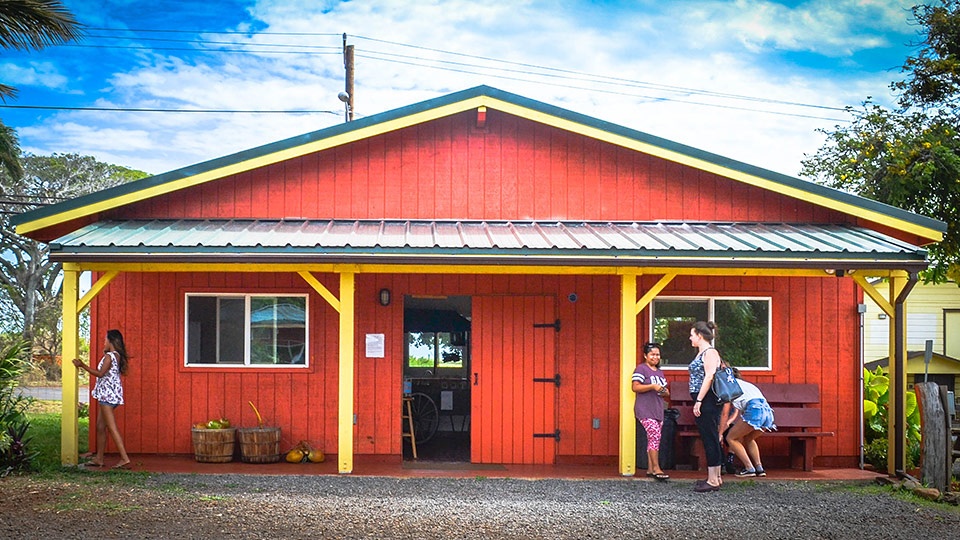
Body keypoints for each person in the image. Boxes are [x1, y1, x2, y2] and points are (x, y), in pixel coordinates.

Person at [73, 329, 131, 469]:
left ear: (111, 341)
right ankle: (99, 458)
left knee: (111, 427)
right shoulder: (116, 355)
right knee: (100, 426)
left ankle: (124, 458)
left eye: (105, 340)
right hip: (111, 395)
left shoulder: (109, 356)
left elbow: (100, 374)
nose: (104, 342)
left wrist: (82, 365)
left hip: (107, 396)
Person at [688, 321, 724, 492]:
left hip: (707, 399)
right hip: (705, 399)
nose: (690, 338)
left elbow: (709, 376)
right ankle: (715, 476)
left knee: (709, 437)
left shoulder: (710, 352)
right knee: (710, 436)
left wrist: (699, 400)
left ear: (700, 336)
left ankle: (712, 480)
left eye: (692, 335)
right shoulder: (702, 353)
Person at [723, 368, 776, 477]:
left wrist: (721, 431)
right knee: (748, 438)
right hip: (767, 412)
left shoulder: (730, 386)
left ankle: (749, 468)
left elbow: (725, 411)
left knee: (731, 438)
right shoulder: (747, 385)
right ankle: (759, 468)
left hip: (755, 410)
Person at [632, 342, 670, 481]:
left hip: (657, 410)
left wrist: (663, 390)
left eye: (658, 354)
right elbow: (635, 387)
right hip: (645, 409)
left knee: (654, 439)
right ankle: (657, 468)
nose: (655, 357)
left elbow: (666, 391)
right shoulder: (641, 369)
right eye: (652, 354)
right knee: (654, 436)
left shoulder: (659, 372)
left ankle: (649, 469)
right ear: (645, 355)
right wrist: (653, 386)